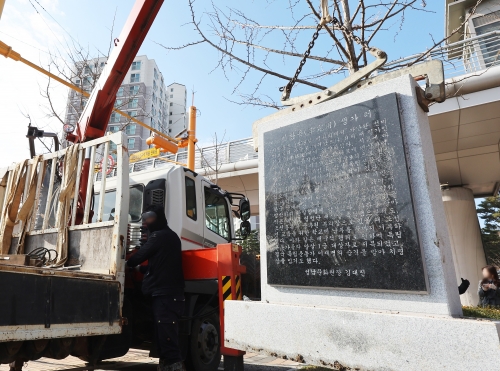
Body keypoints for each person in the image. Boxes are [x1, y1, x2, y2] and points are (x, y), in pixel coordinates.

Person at [126, 204, 185, 371]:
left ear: (159, 217)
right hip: (169, 294)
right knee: (163, 336)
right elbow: (160, 266)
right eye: (144, 218)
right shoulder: (170, 236)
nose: (145, 222)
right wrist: (140, 269)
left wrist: (128, 263)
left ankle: (175, 366)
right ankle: (167, 366)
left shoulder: (159, 236)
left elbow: (139, 256)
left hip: (165, 295)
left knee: (167, 337)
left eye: (149, 217)